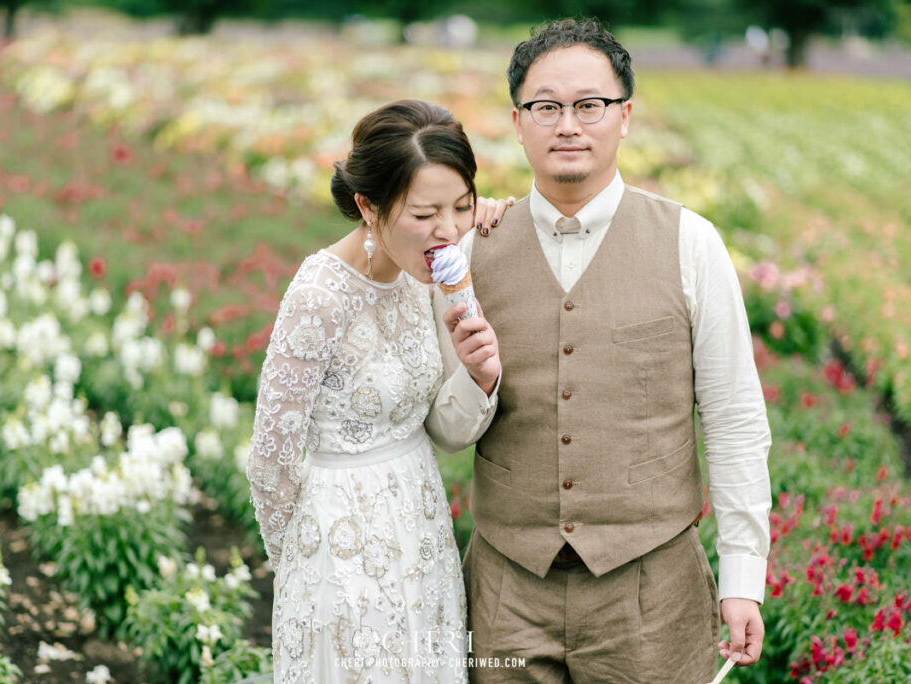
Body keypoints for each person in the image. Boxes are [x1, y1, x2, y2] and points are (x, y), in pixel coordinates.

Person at [433, 18, 772, 683]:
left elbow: (733, 418)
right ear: (517, 120)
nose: (568, 125)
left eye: (590, 105)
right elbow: (445, 428)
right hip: (506, 590)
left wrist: (743, 577)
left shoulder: (690, 243)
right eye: (547, 107)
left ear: (625, 118)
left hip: (650, 590)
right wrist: (475, 383)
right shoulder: (470, 251)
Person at [246, 99, 509, 683]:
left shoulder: (432, 271)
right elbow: (271, 458)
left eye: (461, 206)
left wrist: (479, 376)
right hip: (338, 540)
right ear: (368, 205)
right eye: (425, 213)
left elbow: (444, 428)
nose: (447, 230)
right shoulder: (320, 294)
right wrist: (304, 567)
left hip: (420, 526)